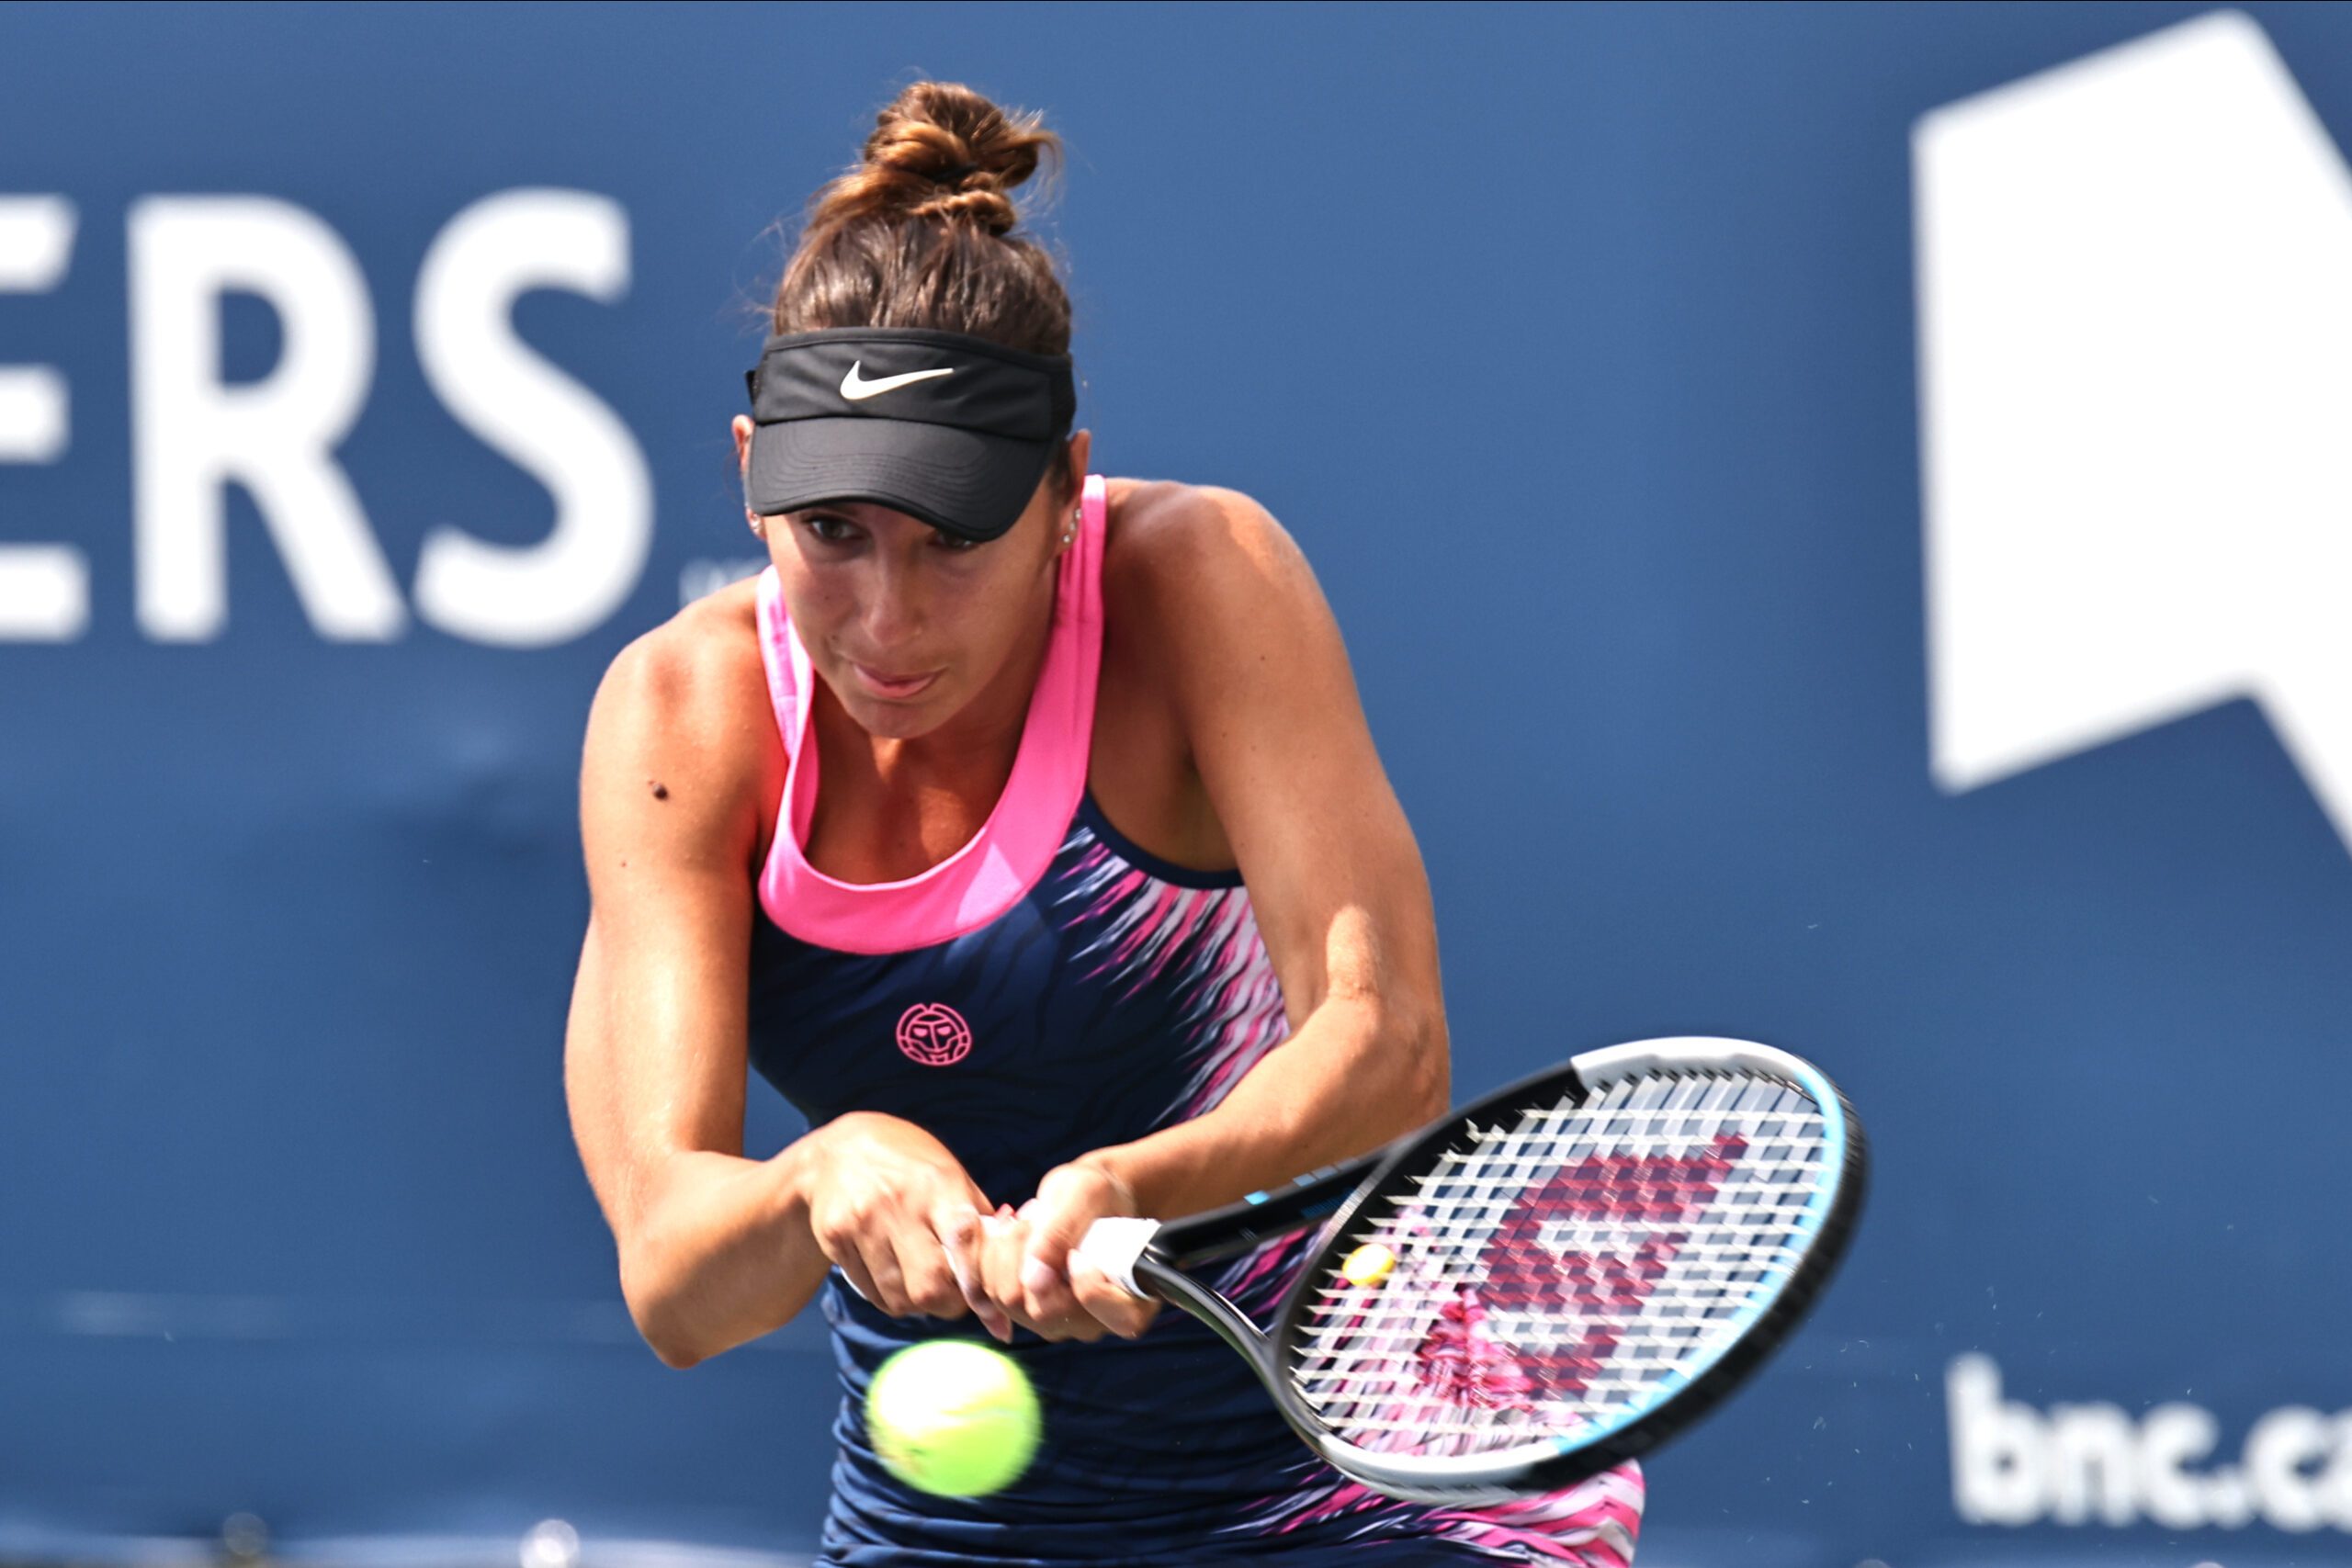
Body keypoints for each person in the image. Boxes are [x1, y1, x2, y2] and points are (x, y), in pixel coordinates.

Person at [563, 81, 1642, 1565]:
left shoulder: (1197, 581)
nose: (887, 620)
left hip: (1381, 1486)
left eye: (953, 542)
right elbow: (679, 1290)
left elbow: (1387, 1044)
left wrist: (1144, 1184)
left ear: (1066, 489)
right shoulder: (679, 723)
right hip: (961, 1528)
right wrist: (823, 1172)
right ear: (753, 474)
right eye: (834, 535)